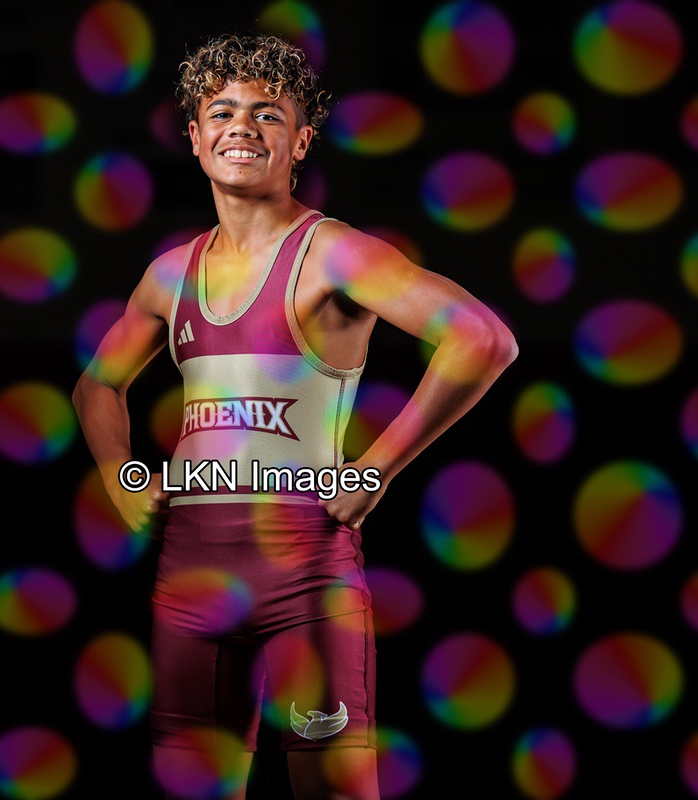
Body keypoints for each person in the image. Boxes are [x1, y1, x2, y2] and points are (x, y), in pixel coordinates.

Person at [73, 33, 517, 800]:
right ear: (195, 137)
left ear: (301, 141)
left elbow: (481, 338)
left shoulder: (335, 254)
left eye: (267, 114)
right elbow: (96, 387)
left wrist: (377, 467)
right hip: (190, 571)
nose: (241, 127)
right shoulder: (171, 275)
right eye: (222, 112)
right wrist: (118, 473)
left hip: (304, 571)